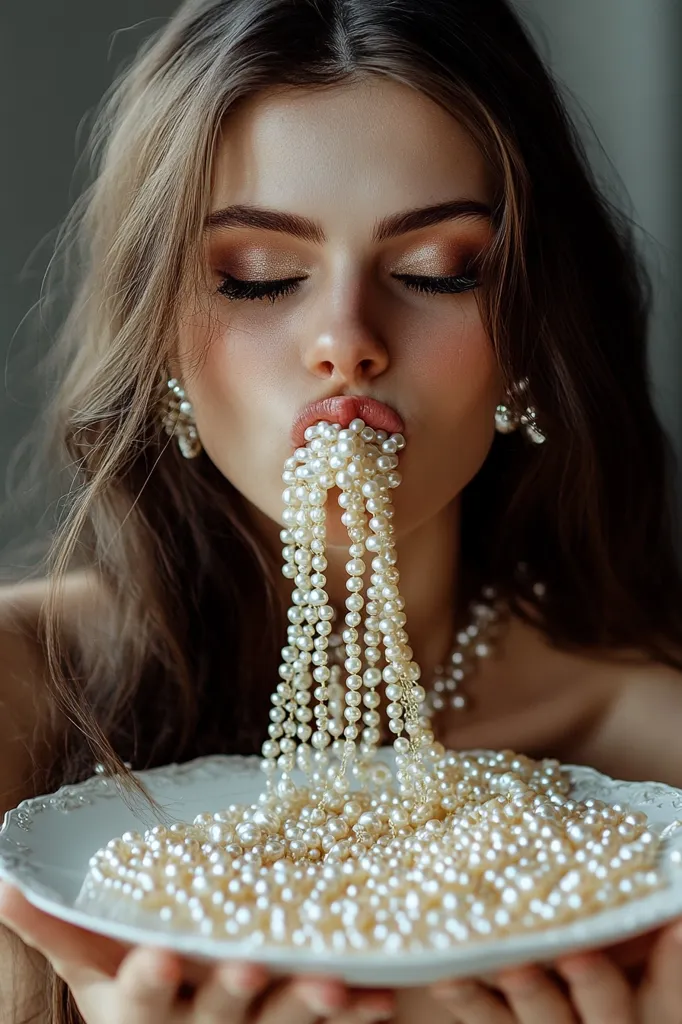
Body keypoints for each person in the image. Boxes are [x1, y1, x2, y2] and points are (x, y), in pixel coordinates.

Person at [1, 0, 682, 1020]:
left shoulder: (649, 746)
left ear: (531, 341)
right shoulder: (24, 691)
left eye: (435, 271)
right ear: (159, 345)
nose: (345, 338)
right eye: (256, 278)